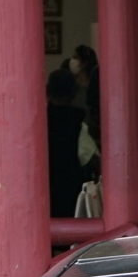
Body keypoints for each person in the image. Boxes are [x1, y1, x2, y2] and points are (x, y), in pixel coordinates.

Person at [45, 68, 90, 219]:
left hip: (44, 180)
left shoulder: (40, 117)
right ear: (74, 92)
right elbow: (88, 156)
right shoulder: (79, 117)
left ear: (48, 90)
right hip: (71, 181)